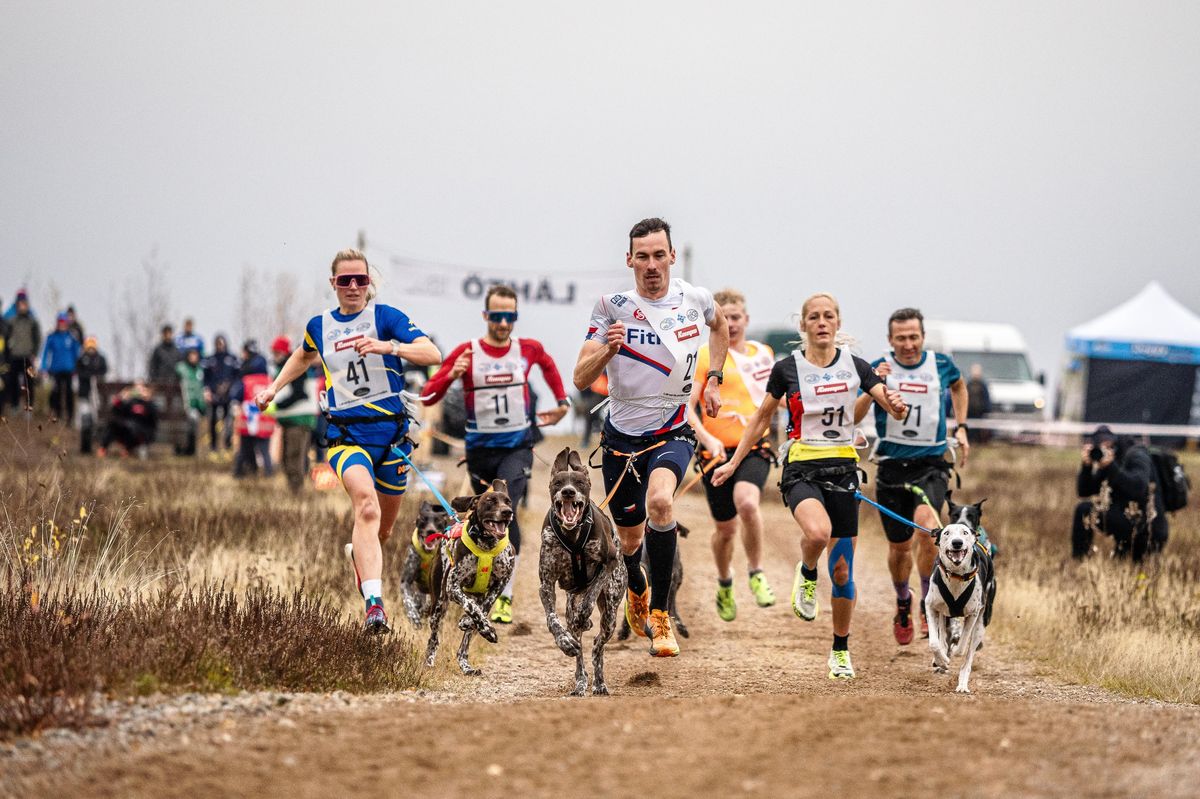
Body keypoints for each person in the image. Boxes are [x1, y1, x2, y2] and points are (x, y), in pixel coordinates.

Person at [713, 293, 906, 679]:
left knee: (842, 575)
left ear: (837, 323)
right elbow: (760, 418)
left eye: (828, 316)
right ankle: (806, 570)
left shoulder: (857, 366)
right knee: (818, 533)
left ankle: (840, 650)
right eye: (813, 317)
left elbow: (884, 400)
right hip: (801, 467)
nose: (821, 321)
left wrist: (895, 402)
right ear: (803, 325)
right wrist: (734, 462)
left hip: (844, 471)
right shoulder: (787, 369)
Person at [256, 248, 441, 632]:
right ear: (333, 284)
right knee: (366, 508)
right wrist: (273, 387)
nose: (353, 286)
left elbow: (432, 353)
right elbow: (303, 357)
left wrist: (388, 346)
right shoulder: (320, 326)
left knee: (383, 530)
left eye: (360, 279)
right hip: (345, 437)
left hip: (391, 438)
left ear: (369, 282)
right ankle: (375, 606)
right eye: (345, 280)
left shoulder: (385, 318)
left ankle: (361, 556)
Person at [573, 217, 728, 657]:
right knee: (628, 542)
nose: (652, 265)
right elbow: (581, 378)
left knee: (661, 503)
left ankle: (660, 616)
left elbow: (720, 328)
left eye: (660, 255)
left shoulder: (694, 298)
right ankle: (636, 589)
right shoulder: (611, 306)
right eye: (642, 256)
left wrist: (713, 377)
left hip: (673, 431)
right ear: (630, 260)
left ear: (672, 257)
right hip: (622, 439)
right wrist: (609, 349)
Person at [420, 284, 570, 623]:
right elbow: (429, 396)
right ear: (485, 316)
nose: (503, 324)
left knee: (505, 509)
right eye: (497, 316)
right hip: (479, 451)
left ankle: (504, 595)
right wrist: (451, 377)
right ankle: (480, 580)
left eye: (510, 316)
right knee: (485, 517)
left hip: (517, 447)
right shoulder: (468, 352)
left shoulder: (526, 349)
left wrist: (562, 403)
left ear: (516, 316)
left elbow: (548, 367)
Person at [857, 307, 969, 644]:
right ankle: (903, 601)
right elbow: (856, 413)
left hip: (931, 465)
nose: (909, 344)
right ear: (891, 340)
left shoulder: (941, 365)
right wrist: (872, 382)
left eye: (914, 337)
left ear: (922, 336)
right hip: (891, 466)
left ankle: (926, 603)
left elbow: (960, 387)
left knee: (928, 531)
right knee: (899, 547)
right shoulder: (878, 368)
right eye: (901, 338)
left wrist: (961, 427)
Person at [686, 288, 777, 621]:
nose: (731, 323)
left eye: (736, 317)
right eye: (725, 317)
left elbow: (775, 401)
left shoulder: (762, 354)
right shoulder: (704, 356)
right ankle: (725, 581)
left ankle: (757, 572)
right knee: (725, 530)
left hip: (753, 446)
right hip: (715, 452)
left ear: (746, 319)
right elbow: (687, 408)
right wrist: (706, 438)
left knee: (748, 502)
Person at [1072, 425, 1168, 562]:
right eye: (1101, 447)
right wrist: (1086, 467)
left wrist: (1111, 466)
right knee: (1084, 509)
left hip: (1148, 527)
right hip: (1127, 525)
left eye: (1108, 446)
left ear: (1115, 444)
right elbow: (1084, 491)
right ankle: (1079, 561)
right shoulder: (1108, 461)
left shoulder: (1137, 455)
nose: (1105, 450)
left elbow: (1137, 488)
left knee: (1139, 568)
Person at [269, 335, 318, 492]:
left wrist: (278, 406)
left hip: (300, 420)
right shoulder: (284, 368)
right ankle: (293, 489)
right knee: (287, 458)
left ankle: (297, 492)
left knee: (294, 457)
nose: (275, 356)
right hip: (290, 420)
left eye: (277, 353)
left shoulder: (296, 368)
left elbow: (299, 393)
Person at [232, 345, 274, 477]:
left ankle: (239, 474)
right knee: (265, 451)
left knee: (244, 450)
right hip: (265, 423)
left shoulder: (246, 381)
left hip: (248, 423)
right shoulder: (270, 381)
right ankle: (269, 474)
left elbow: (235, 396)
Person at [98, 381, 159, 457]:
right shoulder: (131, 402)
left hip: (141, 431)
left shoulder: (150, 404)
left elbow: (153, 418)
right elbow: (117, 411)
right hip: (127, 427)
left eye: (141, 388)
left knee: (131, 427)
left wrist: (147, 400)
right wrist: (120, 398)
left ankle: (127, 449)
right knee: (112, 424)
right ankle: (103, 448)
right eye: (136, 388)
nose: (139, 390)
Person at [4, 290, 41, 414]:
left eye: (24, 304)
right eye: (20, 304)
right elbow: (6, 338)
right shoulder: (12, 321)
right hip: (14, 356)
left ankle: (29, 407)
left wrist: (34, 352)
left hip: (27, 356)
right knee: (13, 382)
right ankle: (15, 405)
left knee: (29, 383)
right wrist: (7, 353)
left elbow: (37, 338)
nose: (22, 306)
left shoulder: (32, 322)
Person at [41, 312, 81, 423]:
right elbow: (45, 353)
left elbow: (76, 353)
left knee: (69, 392)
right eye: (60, 323)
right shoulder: (52, 337)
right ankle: (57, 414)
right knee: (56, 392)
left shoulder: (72, 337)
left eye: (64, 323)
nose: (62, 325)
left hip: (69, 370)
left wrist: (77, 368)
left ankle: (70, 416)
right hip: (55, 369)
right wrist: (43, 367)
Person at [202, 334, 239, 452]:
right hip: (213, 396)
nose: (220, 346)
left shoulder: (232, 359)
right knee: (212, 420)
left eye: (222, 343)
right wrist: (207, 390)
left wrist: (229, 387)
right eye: (218, 344)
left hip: (228, 396)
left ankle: (227, 444)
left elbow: (237, 376)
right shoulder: (210, 359)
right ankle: (213, 446)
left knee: (228, 421)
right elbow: (205, 378)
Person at [76, 336, 109, 454]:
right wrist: (88, 375)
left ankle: (99, 444)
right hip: (85, 395)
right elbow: (79, 372)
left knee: (97, 420)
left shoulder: (100, 359)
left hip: (97, 395)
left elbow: (104, 371)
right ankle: (85, 447)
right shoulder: (81, 359)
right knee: (86, 420)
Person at [175, 347, 207, 456]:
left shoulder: (199, 370)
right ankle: (185, 449)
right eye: (191, 355)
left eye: (196, 355)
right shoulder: (181, 368)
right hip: (186, 402)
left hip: (199, 403)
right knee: (189, 424)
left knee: (195, 424)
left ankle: (193, 449)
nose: (194, 358)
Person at [966, 363, 991, 443]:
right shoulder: (968, 384)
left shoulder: (983, 385)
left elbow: (986, 398)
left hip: (980, 413)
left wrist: (986, 410)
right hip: (969, 413)